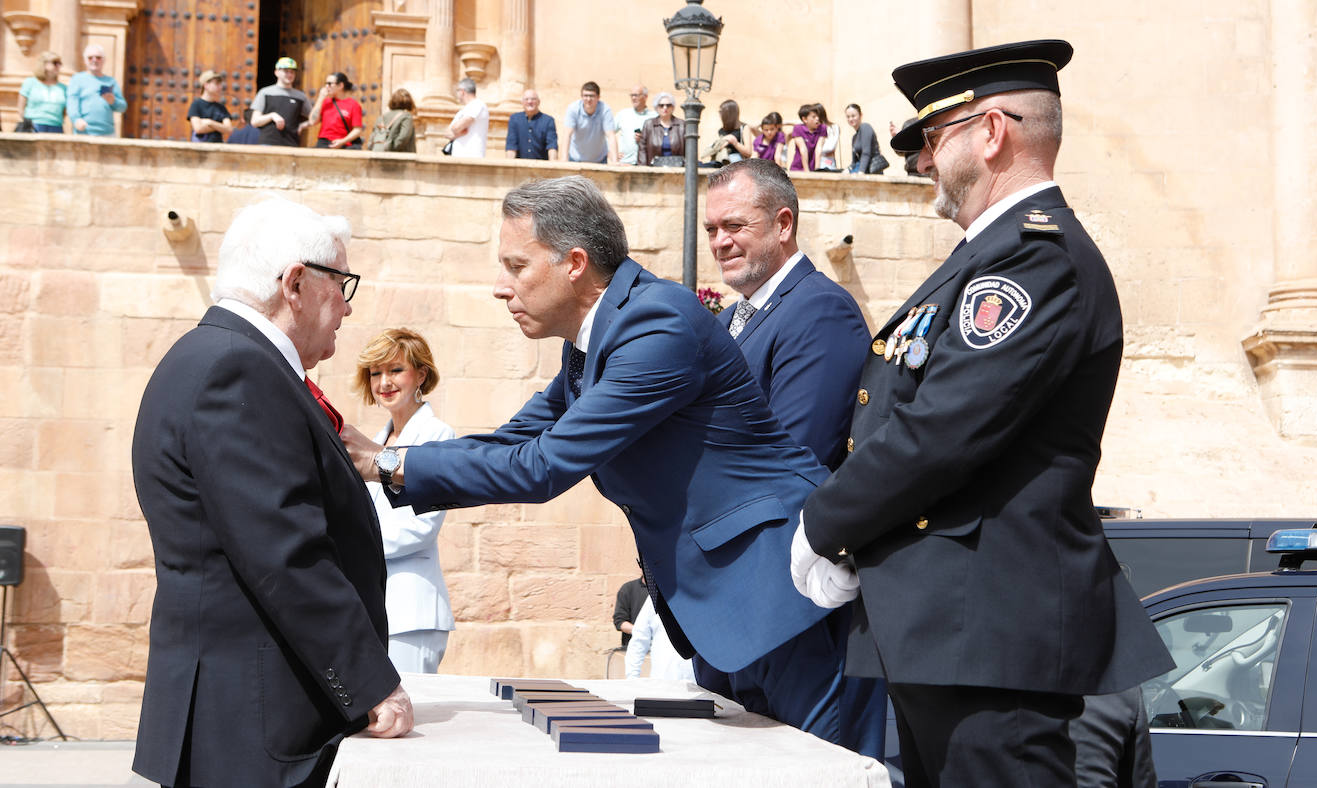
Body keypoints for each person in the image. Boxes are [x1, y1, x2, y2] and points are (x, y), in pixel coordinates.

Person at [342, 176, 850, 746]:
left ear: (575, 263)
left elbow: (544, 466)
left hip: (778, 597)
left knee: (825, 768)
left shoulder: (657, 323)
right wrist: (387, 457)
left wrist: (385, 465)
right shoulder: (595, 339)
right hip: (725, 614)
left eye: (516, 267)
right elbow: (513, 441)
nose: (500, 288)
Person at [791, 39, 1173, 787]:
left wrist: (825, 524)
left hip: (990, 630)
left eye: (934, 138)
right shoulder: (987, 258)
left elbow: (943, 427)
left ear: (992, 133)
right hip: (952, 628)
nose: (923, 162)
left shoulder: (1033, 259)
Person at [130, 196, 411, 788]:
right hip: (255, 723)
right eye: (343, 284)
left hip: (241, 711)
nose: (348, 308)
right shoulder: (239, 369)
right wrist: (369, 683)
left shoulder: (215, 357)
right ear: (297, 283)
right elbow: (286, 552)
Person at [702, 157, 884, 758]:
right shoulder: (731, 319)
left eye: (735, 225)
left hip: (789, 608)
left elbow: (790, 460)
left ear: (783, 224)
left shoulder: (818, 310)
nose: (720, 242)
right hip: (735, 611)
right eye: (710, 230)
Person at [352, 328, 457, 674]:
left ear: (421, 375)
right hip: (374, 608)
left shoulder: (437, 436)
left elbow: (420, 529)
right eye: (376, 372)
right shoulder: (377, 441)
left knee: (412, 721)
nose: (384, 382)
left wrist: (348, 545)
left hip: (412, 611)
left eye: (395, 370)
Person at [625, 600, 696, 682]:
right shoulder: (656, 597)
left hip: (699, 685)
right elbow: (639, 640)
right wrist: (632, 678)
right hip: (663, 681)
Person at [66, 43, 126, 136]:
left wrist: (113, 101)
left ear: (104, 60)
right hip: (84, 132)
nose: (94, 60)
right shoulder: (77, 79)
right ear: (85, 61)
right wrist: (76, 119)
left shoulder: (110, 81)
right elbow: (72, 101)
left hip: (107, 133)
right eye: (90, 58)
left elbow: (123, 107)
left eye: (98, 57)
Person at [250, 57, 311, 146]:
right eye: (286, 71)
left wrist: (303, 125)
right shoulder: (265, 92)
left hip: (291, 145)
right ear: (276, 72)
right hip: (268, 144)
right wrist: (272, 115)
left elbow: (314, 118)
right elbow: (255, 122)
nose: (290, 74)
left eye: (292, 72)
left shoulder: (301, 96)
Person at [561, 81, 616, 163]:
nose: (588, 99)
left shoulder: (605, 110)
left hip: (599, 160)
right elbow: (567, 135)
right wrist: (564, 160)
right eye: (585, 96)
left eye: (592, 96)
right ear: (581, 97)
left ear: (598, 97)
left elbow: (611, 135)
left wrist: (615, 161)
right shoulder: (573, 109)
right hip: (575, 159)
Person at [309, 72, 365, 149]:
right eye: (326, 83)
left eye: (329, 83)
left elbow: (357, 130)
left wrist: (342, 141)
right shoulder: (325, 102)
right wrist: (320, 98)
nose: (326, 86)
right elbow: (312, 121)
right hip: (324, 144)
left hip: (344, 145)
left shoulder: (353, 105)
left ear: (340, 85)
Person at [19, 50, 66, 133]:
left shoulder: (64, 88)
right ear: (44, 64)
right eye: (55, 63)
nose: (58, 66)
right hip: (33, 126)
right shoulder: (30, 83)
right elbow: (21, 108)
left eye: (60, 63)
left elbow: (64, 112)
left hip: (56, 127)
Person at [504, 89, 558, 160]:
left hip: (541, 166)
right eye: (526, 99)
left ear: (539, 102)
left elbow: (552, 146)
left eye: (533, 99)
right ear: (522, 102)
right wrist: (510, 166)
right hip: (519, 166)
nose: (530, 102)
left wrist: (552, 166)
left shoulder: (548, 121)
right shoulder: (515, 119)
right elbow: (511, 146)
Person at [636, 92, 684, 165]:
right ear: (656, 108)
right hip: (654, 170)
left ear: (673, 107)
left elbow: (689, 151)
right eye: (661, 105)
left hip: (677, 169)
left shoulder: (682, 125)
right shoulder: (649, 124)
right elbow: (642, 150)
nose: (665, 108)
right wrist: (643, 171)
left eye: (668, 105)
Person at [445, 77, 489, 158]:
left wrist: (455, 131)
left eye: (457, 91)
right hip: (457, 157)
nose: (457, 94)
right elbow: (447, 133)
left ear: (462, 91)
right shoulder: (462, 111)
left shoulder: (478, 104)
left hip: (472, 156)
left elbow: (456, 128)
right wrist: (459, 132)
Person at [187, 70, 233, 143]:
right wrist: (220, 126)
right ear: (206, 85)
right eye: (217, 83)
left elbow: (229, 129)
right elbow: (198, 128)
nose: (220, 87)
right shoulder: (196, 105)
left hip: (217, 148)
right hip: (200, 149)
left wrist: (210, 123)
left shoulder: (221, 107)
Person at [613, 85, 653, 165]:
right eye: (632, 95)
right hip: (625, 163)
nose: (633, 98)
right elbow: (607, 134)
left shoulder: (654, 117)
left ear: (645, 97)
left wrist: (644, 139)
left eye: (636, 95)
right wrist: (612, 153)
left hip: (646, 165)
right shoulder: (623, 114)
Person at [845, 103, 889, 174]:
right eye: (848, 117)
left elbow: (866, 153)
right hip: (862, 169)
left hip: (871, 171)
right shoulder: (854, 137)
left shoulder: (865, 127)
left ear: (860, 115)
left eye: (853, 116)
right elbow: (854, 162)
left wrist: (861, 172)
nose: (850, 119)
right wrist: (847, 170)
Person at [786, 102, 830, 172]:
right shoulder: (798, 128)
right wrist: (807, 172)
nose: (817, 119)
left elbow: (818, 149)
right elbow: (803, 150)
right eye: (814, 117)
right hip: (797, 169)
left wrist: (817, 170)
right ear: (805, 119)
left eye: (818, 116)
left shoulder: (822, 128)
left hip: (813, 169)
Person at [369, 88, 417, 153]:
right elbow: (403, 138)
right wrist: (391, 149)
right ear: (409, 101)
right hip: (400, 158)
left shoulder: (381, 117)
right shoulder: (406, 116)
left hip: (379, 155)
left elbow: (372, 137)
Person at [705, 99, 749, 165]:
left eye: (721, 111)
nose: (719, 114)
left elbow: (748, 153)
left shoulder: (744, 128)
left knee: (734, 157)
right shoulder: (721, 130)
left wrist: (735, 142)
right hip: (722, 160)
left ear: (728, 113)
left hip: (736, 162)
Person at [612, 574, 649, 648]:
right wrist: (641, 632)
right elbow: (619, 621)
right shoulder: (628, 589)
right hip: (635, 648)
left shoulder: (668, 591)